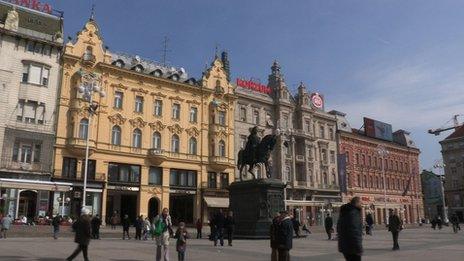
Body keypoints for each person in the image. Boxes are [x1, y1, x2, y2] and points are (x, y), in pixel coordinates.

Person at [337, 197, 363, 261]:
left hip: (344, 246)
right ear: (356, 203)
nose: (361, 204)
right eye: (360, 202)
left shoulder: (344, 212)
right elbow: (354, 231)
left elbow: (338, 228)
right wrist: (358, 247)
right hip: (352, 247)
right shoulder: (353, 213)